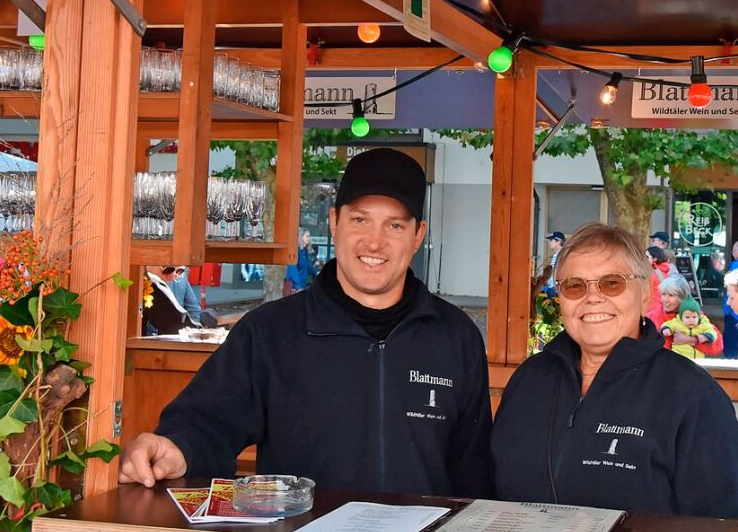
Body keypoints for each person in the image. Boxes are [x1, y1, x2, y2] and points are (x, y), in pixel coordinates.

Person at [119, 148, 492, 499]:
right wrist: (175, 447)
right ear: (334, 222)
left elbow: (474, 472)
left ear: (418, 236)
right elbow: (208, 422)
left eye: (394, 225)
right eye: (360, 220)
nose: (374, 242)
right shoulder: (270, 332)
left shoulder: (455, 338)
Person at [491, 224, 738, 519]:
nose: (592, 297)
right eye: (575, 285)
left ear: (645, 295)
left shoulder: (693, 397)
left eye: (612, 283)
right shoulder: (529, 380)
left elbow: (730, 529)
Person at [646, 274, 723, 357]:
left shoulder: (694, 316)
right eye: (664, 294)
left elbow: (718, 347)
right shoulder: (652, 316)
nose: (665, 300)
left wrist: (691, 340)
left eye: (671, 295)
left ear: (682, 298)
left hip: (686, 366)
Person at [143, 267, 201, 336]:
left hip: (170, 334)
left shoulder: (181, 278)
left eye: (181, 271)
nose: (177, 276)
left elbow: (193, 307)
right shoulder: (151, 282)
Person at [660, 296, 718, 360]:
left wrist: (706, 336)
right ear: (681, 317)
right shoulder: (677, 322)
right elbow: (668, 324)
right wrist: (666, 329)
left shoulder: (703, 324)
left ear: (698, 316)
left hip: (697, 358)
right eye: (687, 317)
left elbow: (712, 331)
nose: (691, 320)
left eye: (694, 317)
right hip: (679, 356)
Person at [284, 228, 315, 294]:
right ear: (301, 237)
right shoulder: (295, 251)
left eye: (309, 236)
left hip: (302, 286)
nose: (309, 238)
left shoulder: (304, 251)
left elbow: (307, 266)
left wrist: (316, 272)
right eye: (307, 236)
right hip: (294, 288)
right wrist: (298, 286)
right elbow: (292, 269)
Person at [544, 231, 565, 298]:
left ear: (558, 241)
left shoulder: (563, 255)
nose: (549, 242)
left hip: (556, 290)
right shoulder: (556, 255)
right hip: (551, 288)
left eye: (551, 240)